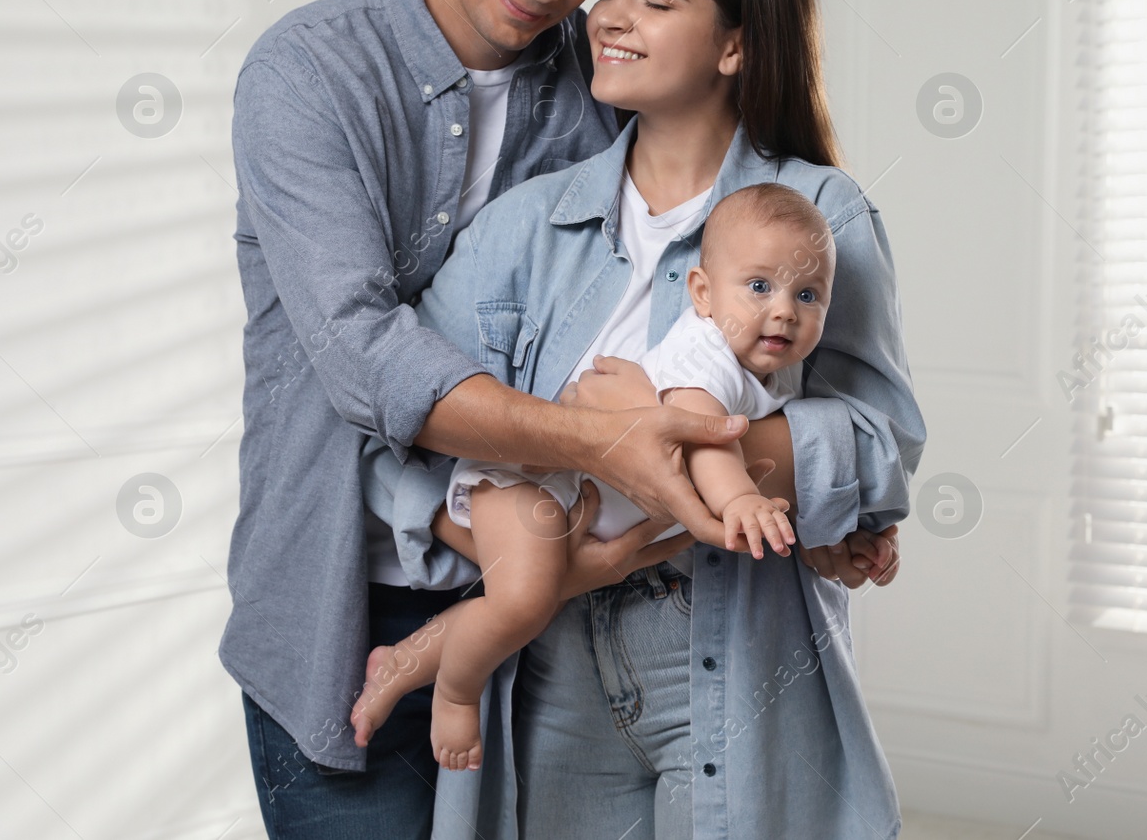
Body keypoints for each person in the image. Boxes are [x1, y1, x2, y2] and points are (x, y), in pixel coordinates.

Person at [224, 0, 753, 837]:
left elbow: (704, 275)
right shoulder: (307, 72)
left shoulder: (600, 90)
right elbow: (367, 357)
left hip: (558, 612)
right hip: (342, 605)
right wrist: (613, 440)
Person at [364, 0, 926, 840]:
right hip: (550, 663)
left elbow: (881, 444)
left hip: (734, 652)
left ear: (735, 45)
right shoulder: (520, 226)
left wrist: (686, 444)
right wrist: (527, 556)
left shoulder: (820, 215)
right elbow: (399, 427)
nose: (608, 16)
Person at [351, 182, 840, 770]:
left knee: (526, 596)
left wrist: (845, 535)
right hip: (527, 485)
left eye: (807, 294)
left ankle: (403, 663)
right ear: (703, 294)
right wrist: (738, 499)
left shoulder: (779, 371)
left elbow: (808, 452)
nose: (784, 309)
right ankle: (455, 695)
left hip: (573, 508)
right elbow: (704, 434)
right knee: (526, 601)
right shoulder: (706, 351)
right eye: (759, 286)